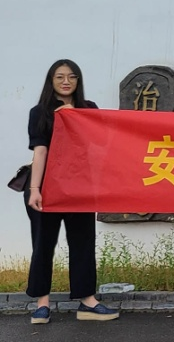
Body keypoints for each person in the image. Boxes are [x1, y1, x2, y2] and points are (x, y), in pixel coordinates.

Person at [25, 59, 119, 323]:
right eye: (60, 76)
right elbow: (40, 151)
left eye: (71, 76)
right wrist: (35, 189)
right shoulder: (40, 112)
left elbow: (100, 141)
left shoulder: (89, 109)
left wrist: (76, 117)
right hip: (47, 188)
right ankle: (42, 303)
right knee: (43, 244)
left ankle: (87, 301)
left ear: (78, 80)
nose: (66, 81)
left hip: (80, 187)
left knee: (83, 243)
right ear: (51, 81)